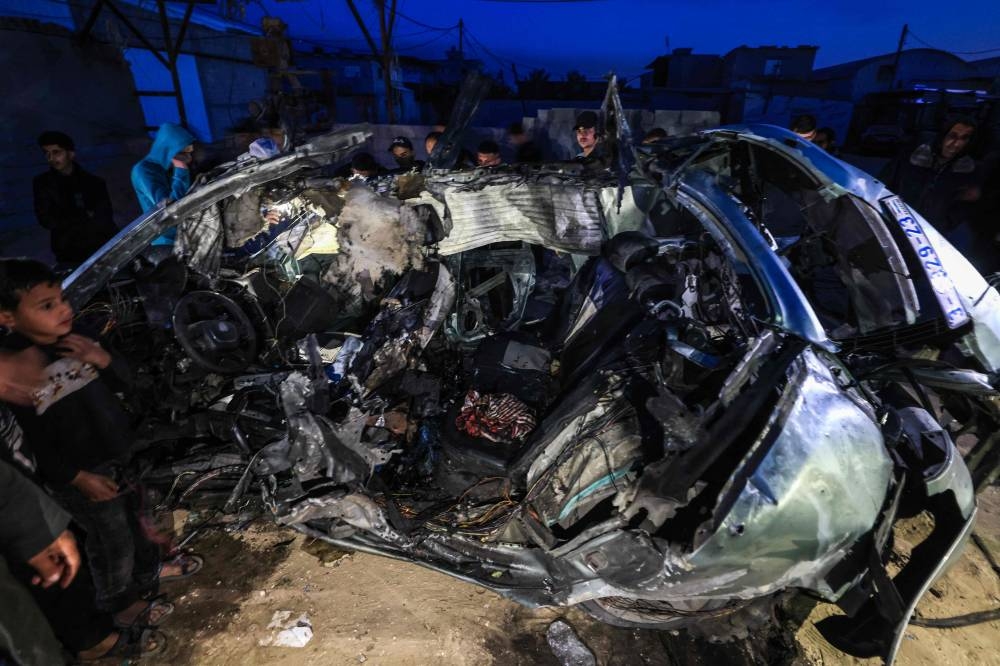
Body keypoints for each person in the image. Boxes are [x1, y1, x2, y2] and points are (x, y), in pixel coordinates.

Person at [0, 259, 200, 623]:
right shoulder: (18, 370)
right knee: (111, 540)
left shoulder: (82, 340)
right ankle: (119, 604)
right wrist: (75, 477)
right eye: (47, 306)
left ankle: (149, 572)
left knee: (138, 520)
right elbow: (33, 444)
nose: (64, 309)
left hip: (119, 454)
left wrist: (103, 359)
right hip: (79, 475)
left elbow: (128, 385)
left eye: (61, 299)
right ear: (8, 318)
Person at [879, 117, 981, 255]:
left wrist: (945, 223)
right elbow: (884, 181)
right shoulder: (913, 155)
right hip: (894, 223)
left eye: (964, 138)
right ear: (943, 135)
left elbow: (964, 205)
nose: (956, 144)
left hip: (929, 235)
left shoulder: (967, 170)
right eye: (953, 136)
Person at [32, 131, 118, 266]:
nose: (51, 158)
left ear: (71, 153)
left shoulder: (94, 182)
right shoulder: (42, 184)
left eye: (56, 152)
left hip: (101, 247)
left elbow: (105, 216)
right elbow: (46, 219)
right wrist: (83, 216)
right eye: (46, 153)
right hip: (68, 252)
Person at [131, 122, 196, 247]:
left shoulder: (165, 169)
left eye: (189, 152)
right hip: (166, 242)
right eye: (183, 152)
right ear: (168, 150)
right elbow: (171, 208)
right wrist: (181, 169)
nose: (188, 157)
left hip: (184, 237)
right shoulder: (144, 170)